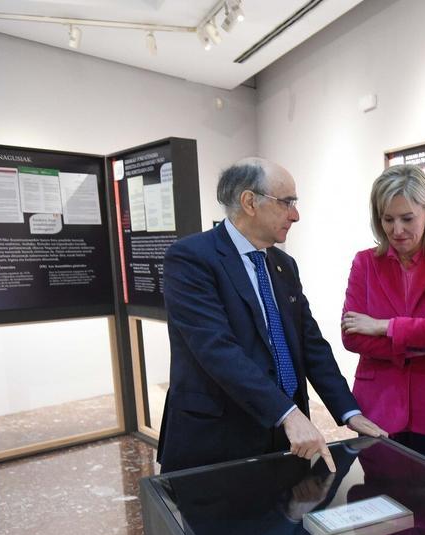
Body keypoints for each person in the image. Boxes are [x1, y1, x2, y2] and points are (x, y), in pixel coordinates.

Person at [158, 157, 386, 474]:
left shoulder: (282, 265)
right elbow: (216, 349)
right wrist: (287, 413)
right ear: (250, 202)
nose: (296, 215)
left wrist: (348, 410)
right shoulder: (191, 259)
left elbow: (310, 344)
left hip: (282, 437)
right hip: (218, 439)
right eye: (287, 202)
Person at [340, 165, 425, 471]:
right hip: (380, 404)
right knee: (384, 503)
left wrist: (383, 327)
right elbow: (352, 336)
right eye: (388, 219)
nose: (397, 230)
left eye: (407, 218)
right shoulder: (365, 263)